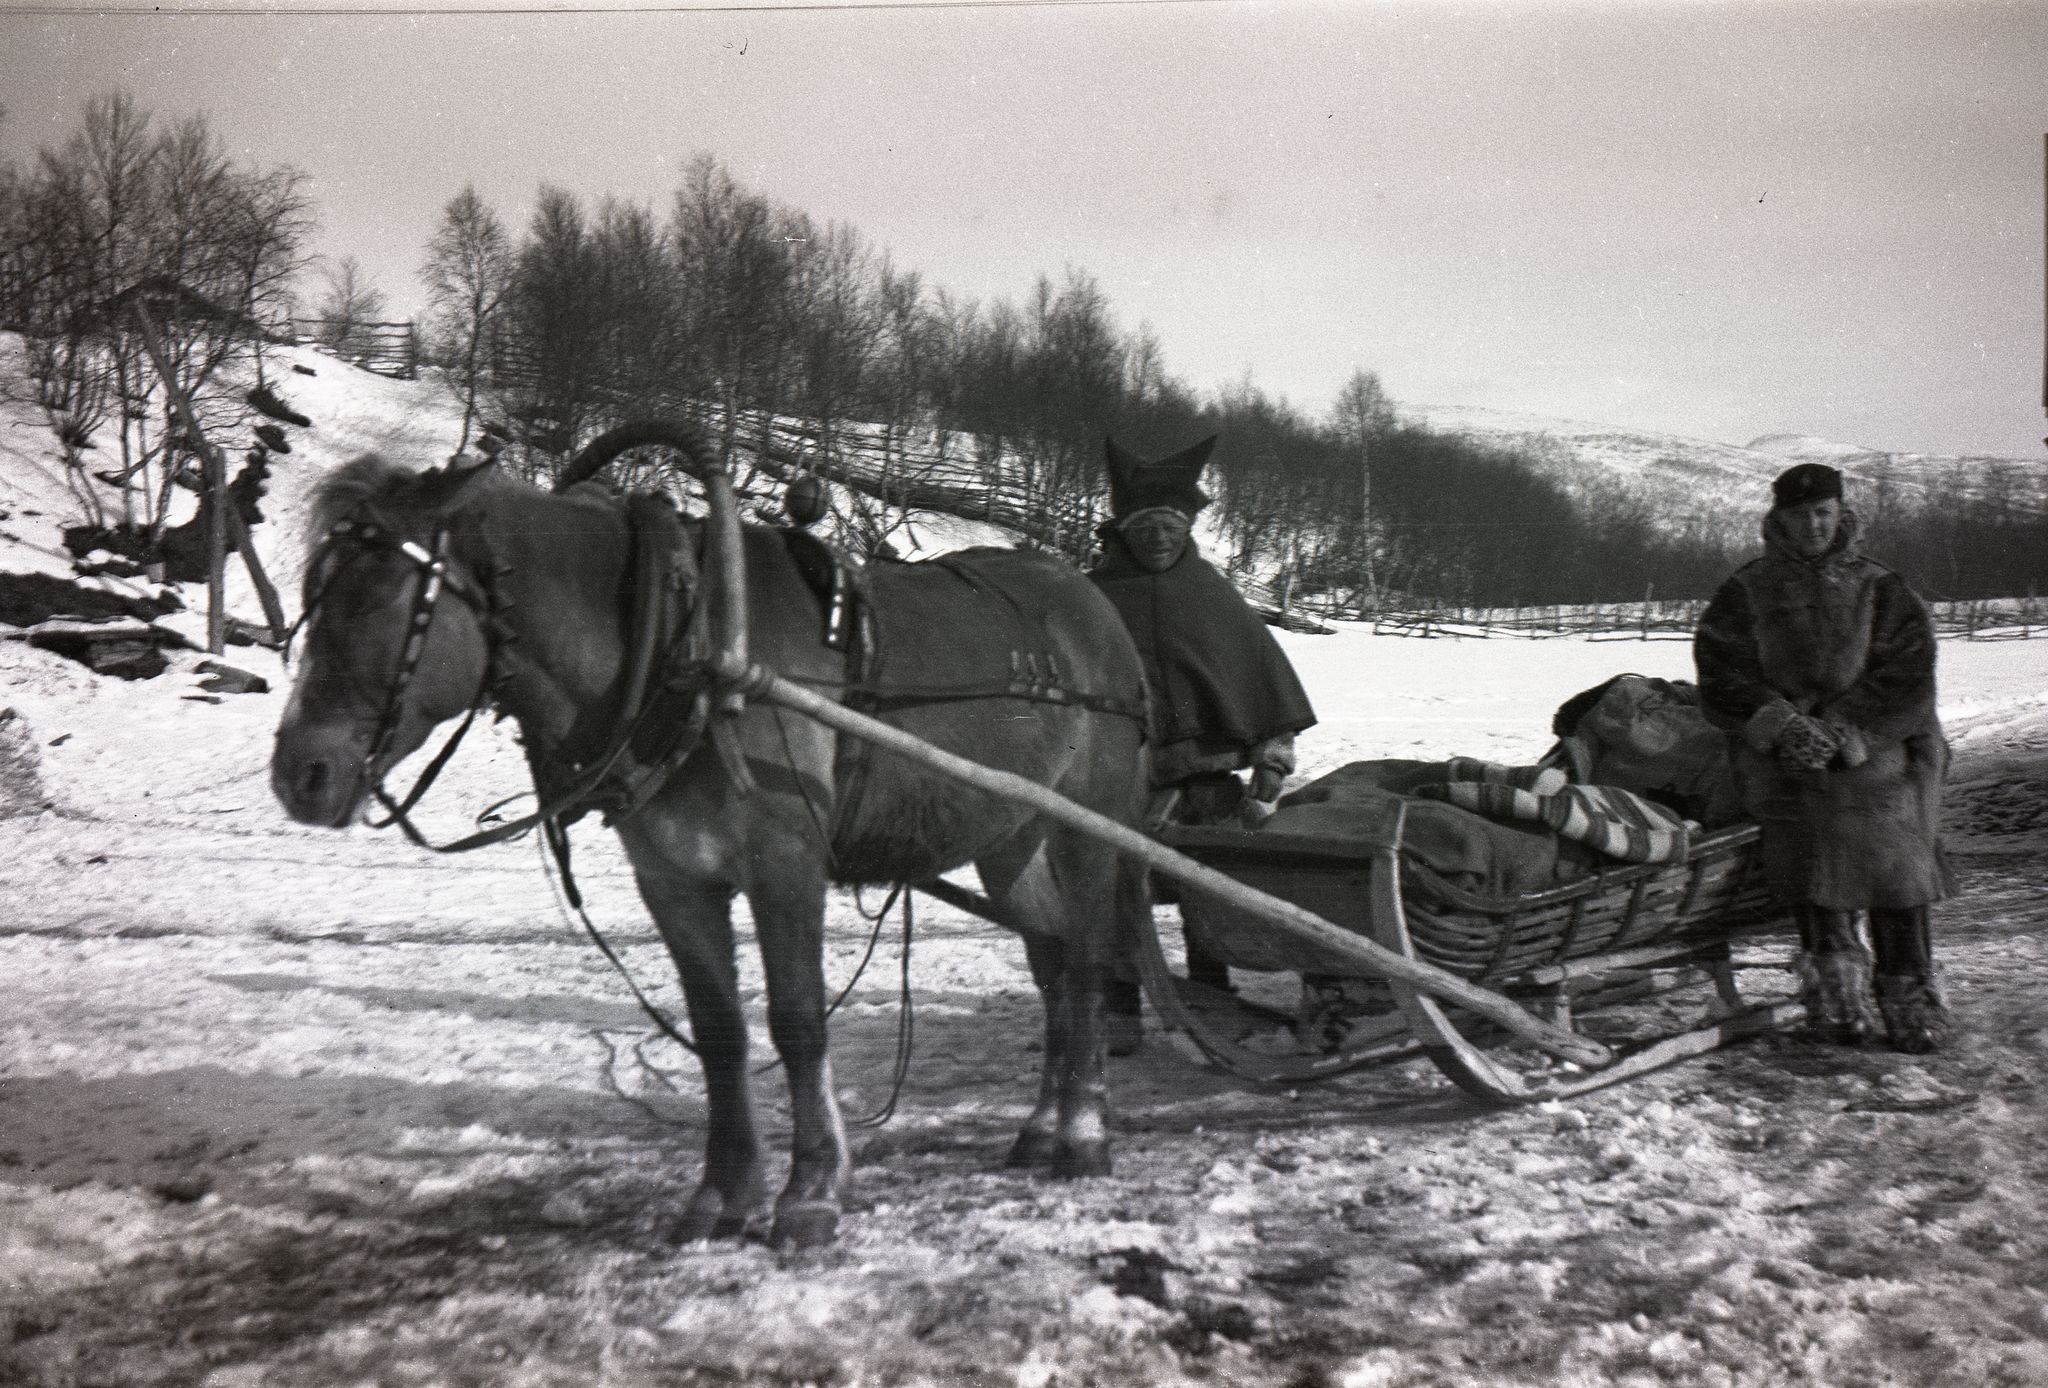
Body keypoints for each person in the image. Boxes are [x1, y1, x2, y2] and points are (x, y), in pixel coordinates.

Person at [1693, 462, 1954, 1052]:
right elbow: (1721, 675)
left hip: (1879, 754)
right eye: (1799, 515)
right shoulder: (1745, 592)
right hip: (1788, 758)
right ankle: (1836, 993)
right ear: (1779, 520)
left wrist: (1843, 730)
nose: (1812, 525)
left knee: (1895, 865)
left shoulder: (1882, 588)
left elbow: (1909, 677)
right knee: (1813, 859)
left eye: (1822, 513)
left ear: (1841, 516)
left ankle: (1910, 997)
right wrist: (1782, 724)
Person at [1088, 435, 1319, 1051]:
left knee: (1205, 898)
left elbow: (1259, 677)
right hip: (1117, 783)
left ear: (1187, 528)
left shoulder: (1211, 596)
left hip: (1206, 787)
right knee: (1111, 896)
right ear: (1123, 529)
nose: (1160, 538)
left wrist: (1270, 773)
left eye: (1171, 525)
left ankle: (1212, 998)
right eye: (1146, 526)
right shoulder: (1092, 599)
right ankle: (1119, 1010)